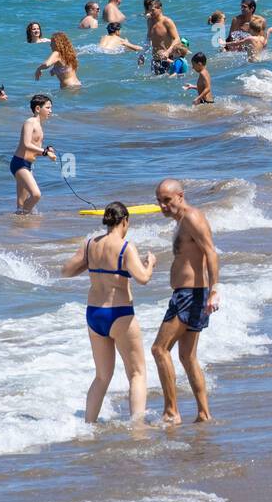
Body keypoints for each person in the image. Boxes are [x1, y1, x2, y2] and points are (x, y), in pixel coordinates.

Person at [61, 202, 157, 424]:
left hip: (94, 314)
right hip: (120, 313)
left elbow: (65, 271)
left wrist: (91, 266)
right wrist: (150, 263)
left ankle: (89, 425)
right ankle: (138, 427)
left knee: (102, 376)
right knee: (137, 374)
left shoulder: (89, 244)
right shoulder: (125, 246)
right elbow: (143, 278)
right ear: (125, 221)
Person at [150, 179, 219, 424]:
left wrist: (215, 290)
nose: (162, 206)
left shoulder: (192, 217)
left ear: (180, 196)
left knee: (159, 349)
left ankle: (171, 412)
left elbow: (211, 251)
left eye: (167, 200)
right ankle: (203, 413)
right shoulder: (181, 221)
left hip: (189, 296)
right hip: (190, 295)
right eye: (159, 201)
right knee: (187, 356)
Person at [11, 94, 57, 214]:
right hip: (19, 163)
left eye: (51, 108)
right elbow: (26, 144)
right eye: (48, 108)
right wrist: (45, 152)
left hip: (28, 164)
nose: (50, 111)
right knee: (36, 195)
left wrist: (46, 151)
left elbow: (35, 150)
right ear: (37, 109)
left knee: (21, 203)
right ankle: (23, 216)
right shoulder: (30, 122)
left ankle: (20, 222)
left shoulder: (40, 126)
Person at [144, 0, 181, 73]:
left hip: (169, 58)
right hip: (155, 60)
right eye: (149, 10)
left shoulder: (167, 21)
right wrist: (143, 55)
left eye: (153, 10)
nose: (150, 12)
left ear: (160, 8)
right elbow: (148, 38)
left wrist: (167, 52)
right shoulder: (150, 21)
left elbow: (177, 39)